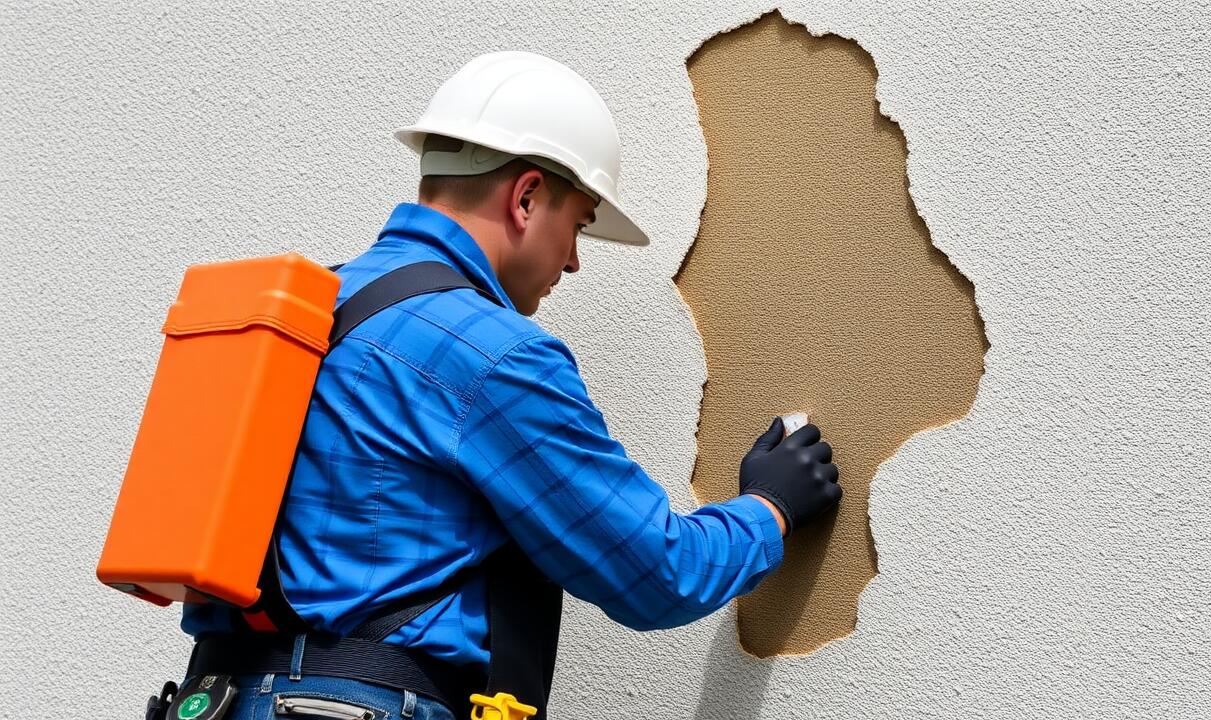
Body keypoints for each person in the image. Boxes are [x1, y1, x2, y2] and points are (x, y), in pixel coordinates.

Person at [176, 51, 841, 720]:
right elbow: (656, 573)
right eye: (578, 225)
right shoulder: (492, 354)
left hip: (217, 700)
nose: (575, 261)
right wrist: (771, 507)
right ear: (525, 198)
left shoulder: (309, 309)